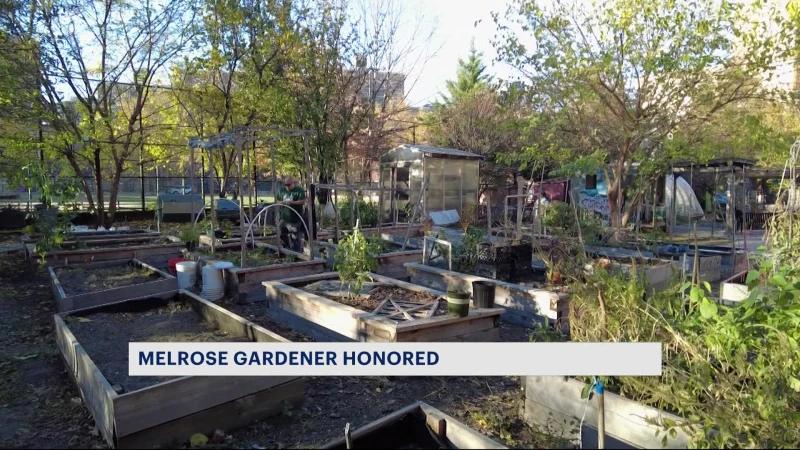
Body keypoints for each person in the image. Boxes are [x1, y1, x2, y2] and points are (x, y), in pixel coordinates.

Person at [276, 176, 307, 252]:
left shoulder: (299, 190)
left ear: (293, 183)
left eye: (289, 185)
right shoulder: (282, 191)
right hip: (284, 217)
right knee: (280, 233)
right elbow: (277, 200)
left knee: (295, 237)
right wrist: (280, 203)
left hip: (295, 218)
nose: (287, 187)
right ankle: (285, 248)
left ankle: (297, 253)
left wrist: (290, 202)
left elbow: (302, 201)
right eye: (285, 185)